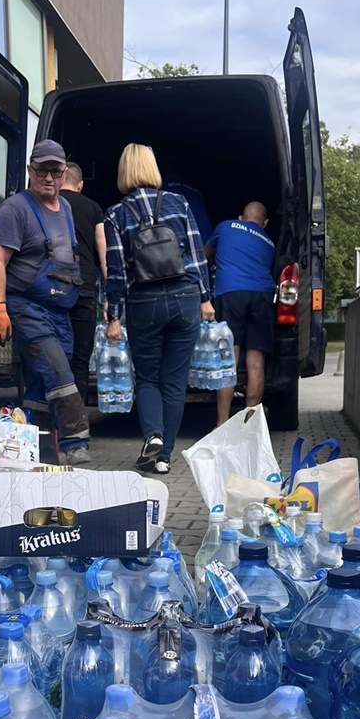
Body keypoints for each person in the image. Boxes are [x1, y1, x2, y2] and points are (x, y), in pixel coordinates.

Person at [105, 143, 214, 475]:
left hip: (144, 302)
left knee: (148, 378)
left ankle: (152, 435)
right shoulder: (179, 203)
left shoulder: (116, 214)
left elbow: (116, 272)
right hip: (184, 298)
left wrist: (114, 316)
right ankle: (164, 456)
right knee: (175, 381)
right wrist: (205, 297)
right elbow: (195, 255)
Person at [0, 140, 90, 464]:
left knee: (40, 383)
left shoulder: (67, 209)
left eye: (55, 171)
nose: (49, 177)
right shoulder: (15, 209)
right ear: (31, 171)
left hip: (60, 313)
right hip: (27, 308)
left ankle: (41, 455)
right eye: (42, 170)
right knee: (58, 372)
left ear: (64, 173)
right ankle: (75, 441)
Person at [205, 201, 277, 424]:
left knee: (229, 358)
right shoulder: (269, 243)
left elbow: (204, 255)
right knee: (256, 363)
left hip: (231, 293)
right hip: (263, 295)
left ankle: (222, 423)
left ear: (240, 217)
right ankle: (249, 425)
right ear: (265, 223)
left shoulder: (226, 226)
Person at [60, 161, 107, 406]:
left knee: (56, 356)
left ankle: (53, 418)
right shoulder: (92, 207)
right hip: (85, 286)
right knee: (80, 359)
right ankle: (77, 417)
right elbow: (103, 251)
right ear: (80, 185)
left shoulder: (50, 204)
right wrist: (110, 295)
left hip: (54, 288)